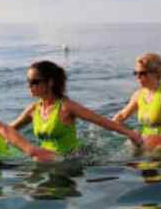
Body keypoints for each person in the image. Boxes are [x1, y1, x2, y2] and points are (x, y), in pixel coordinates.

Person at [10, 60, 144, 154]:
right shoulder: (33, 110)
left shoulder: (66, 107)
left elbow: (101, 121)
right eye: (28, 82)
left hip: (71, 161)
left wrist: (131, 134)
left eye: (35, 82)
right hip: (47, 160)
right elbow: (9, 129)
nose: (30, 86)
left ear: (49, 83)